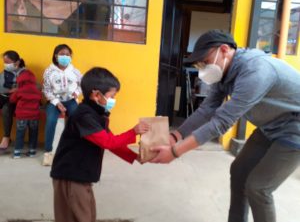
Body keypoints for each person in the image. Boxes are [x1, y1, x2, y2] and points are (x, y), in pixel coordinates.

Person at [150, 29, 300, 222]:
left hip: (295, 127)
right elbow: (206, 110)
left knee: (258, 187)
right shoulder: (224, 74)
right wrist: (175, 136)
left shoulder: (256, 71)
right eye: (199, 64)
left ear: (224, 50)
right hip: (270, 125)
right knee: (239, 172)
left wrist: (175, 152)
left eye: (205, 61)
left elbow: (220, 122)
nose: (203, 68)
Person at [50, 67, 149, 222]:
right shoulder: (84, 116)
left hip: (81, 177)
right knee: (76, 217)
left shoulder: (96, 115)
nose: (113, 100)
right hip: (70, 177)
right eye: (112, 96)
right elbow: (107, 142)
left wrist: (135, 156)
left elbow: (110, 140)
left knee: (87, 216)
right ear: (96, 94)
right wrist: (133, 132)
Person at [42, 44, 82, 166]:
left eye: (67, 54)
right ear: (56, 56)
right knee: (51, 121)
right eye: (62, 54)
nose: (65, 56)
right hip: (54, 101)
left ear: (71, 56)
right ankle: (48, 153)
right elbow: (46, 90)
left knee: (77, 120)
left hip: (70, 101)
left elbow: (81, 85)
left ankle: (75, 150)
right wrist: (57, 103)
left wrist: (76, 93)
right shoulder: (49, 72)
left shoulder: (75, 71)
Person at [10, 70, 42, 158]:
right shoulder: (37, 91)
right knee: (33, 133)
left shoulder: (19, 90)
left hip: (22, 116)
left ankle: (17, 152)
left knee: (20, 133)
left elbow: (12, 100)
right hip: (34, 116)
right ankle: (32, 151)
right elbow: (39, 99)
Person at [0, 50, 27, 150]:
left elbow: (29, 87)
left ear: (17, 62)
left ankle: (6, 137)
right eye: (4, 62)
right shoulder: (5, 72)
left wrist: (16, 89)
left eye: (8, 62)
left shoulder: (24, 73)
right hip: (3, 96)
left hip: (15, 100)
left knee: (6, 109)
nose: (6, 65)